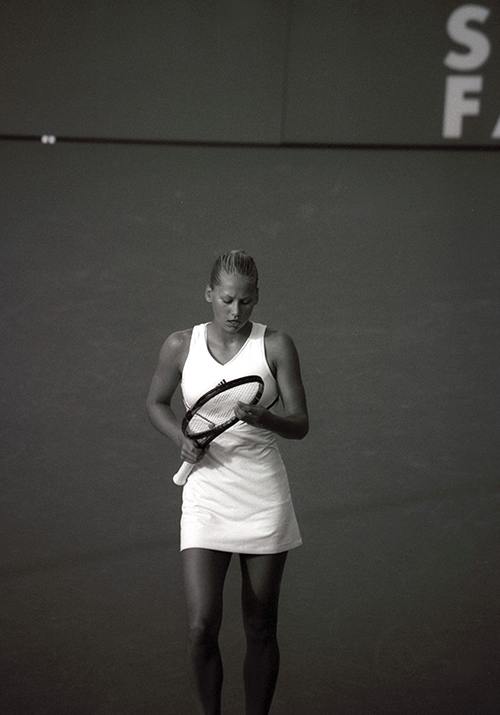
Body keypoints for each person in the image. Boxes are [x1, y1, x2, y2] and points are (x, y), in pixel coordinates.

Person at [146, 250, 308, 715]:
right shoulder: (180, 345)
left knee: (260, 628)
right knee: (201, 626)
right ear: (209, 295)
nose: (236, 312)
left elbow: (299, 423)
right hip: (205, 496)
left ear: (257, 300)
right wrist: (182, 438)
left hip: (263, 497)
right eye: (227, 300)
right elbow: (156, 402)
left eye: (247, 302)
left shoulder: (276, 346)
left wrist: (266, 419)